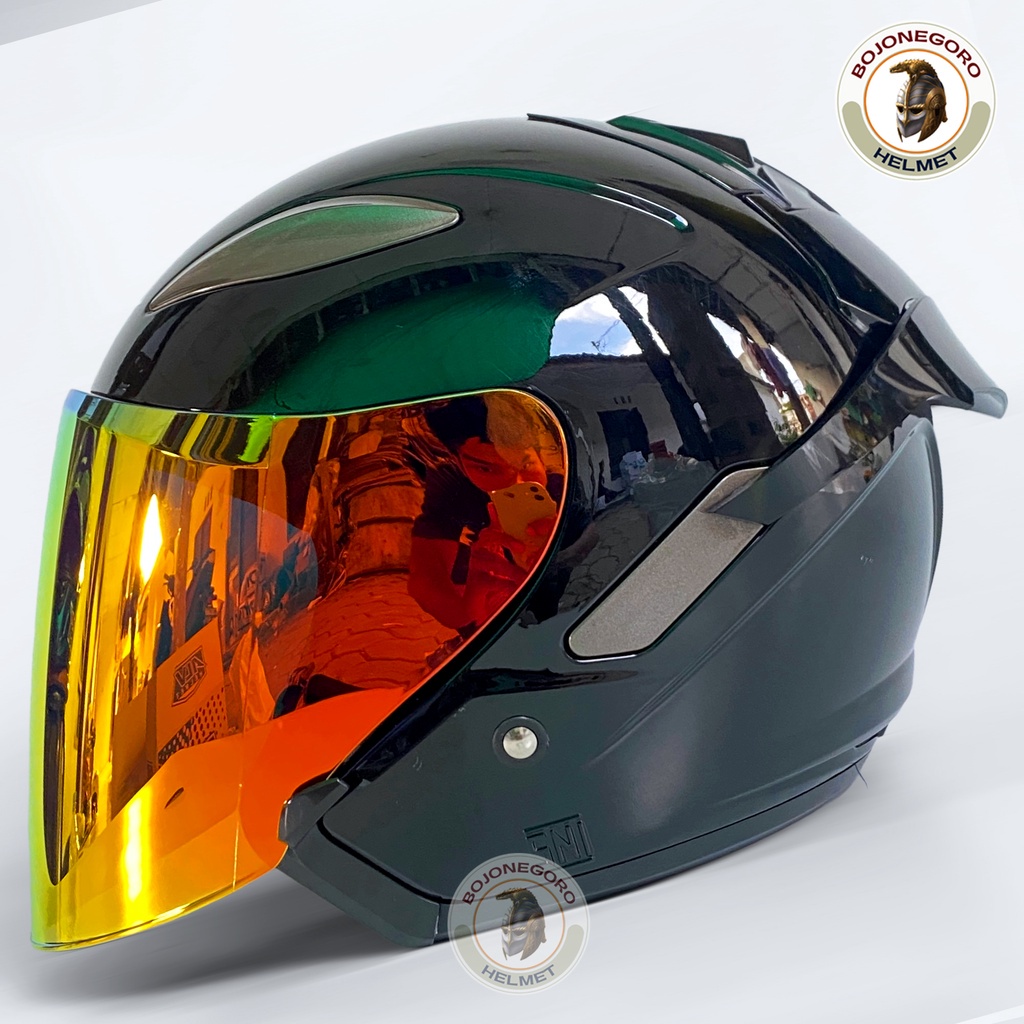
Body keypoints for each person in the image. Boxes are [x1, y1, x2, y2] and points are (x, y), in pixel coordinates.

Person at [407, 396, 559, 636]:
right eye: (485, 468)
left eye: (526, 464)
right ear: (457, 461)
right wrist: (471, 609)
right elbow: (424, 580)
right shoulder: (454, 485)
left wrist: (566, 555)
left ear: (540, 455)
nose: (514, 483)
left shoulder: (564, 487)